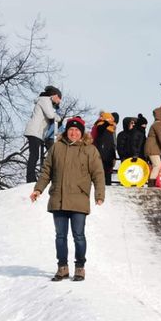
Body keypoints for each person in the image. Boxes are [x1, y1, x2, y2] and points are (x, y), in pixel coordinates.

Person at [30, 116, 105, 282]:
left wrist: (99, 195)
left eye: (77, 130)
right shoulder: (56, 148)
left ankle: (80, 268)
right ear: (66, 131)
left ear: (82, 133)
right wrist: (38, 189)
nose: (73, 133)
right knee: (60, 236)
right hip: (59, 198)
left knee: (78, 235)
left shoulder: (90, 150)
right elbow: (46, 171)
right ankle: (62, 268)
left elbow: (98, 174)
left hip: (79, 199)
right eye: (71, 129)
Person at [24, 85, 62, 183]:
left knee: (35, 155)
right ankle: (30, 178)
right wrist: (58, 117)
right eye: (59, 98)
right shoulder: (45, 100)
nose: (59, 101)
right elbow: (50, 115)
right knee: (34, 155)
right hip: (35, 132)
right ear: (54, 95)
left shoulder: (46, 101)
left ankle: (32, 178)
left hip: (38, 133)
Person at [93, 112, 117, 186]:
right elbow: (100, 129)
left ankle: (108, 185)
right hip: (102, 153)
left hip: (109, 153)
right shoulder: (100, 125)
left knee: (108, 171)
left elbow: (112, 142)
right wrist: (106, 123)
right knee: (102, 171)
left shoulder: (111, 128)